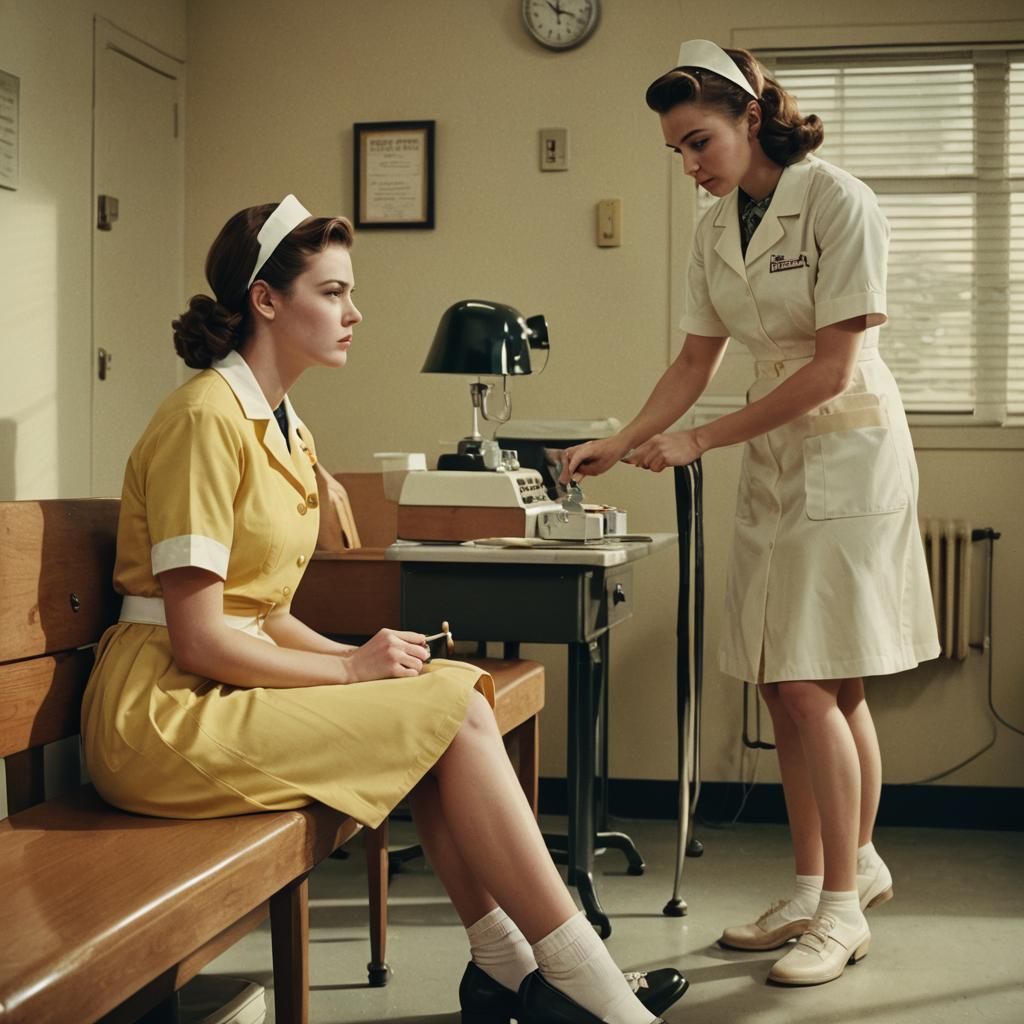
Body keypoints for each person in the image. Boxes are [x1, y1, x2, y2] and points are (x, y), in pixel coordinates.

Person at [80, 196, 689, 1024]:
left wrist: (359, 653)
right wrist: (345, 669)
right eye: (332, 293)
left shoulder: (287, 428)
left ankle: (510, 965)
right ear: (266, 299)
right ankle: (593, 993)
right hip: (161, 715)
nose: (354, 312)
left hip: (219, 687)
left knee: (447, 692)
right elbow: (199, 638)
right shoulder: (203, 421)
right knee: (449, 710)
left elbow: (265, 611)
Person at [560, 41, 940, 988]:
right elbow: (695, 362)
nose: (690, 166)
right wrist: (624, 436)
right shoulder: (715, 228)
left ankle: (845, 909)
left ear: (752, 113)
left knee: (818, 680)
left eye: (700, 142)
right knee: (787, 681)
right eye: (678, 153)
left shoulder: (837, 199)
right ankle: (824, 881)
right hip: (775, 454)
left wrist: (697, 442)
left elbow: (832, 368)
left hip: (848, 452)